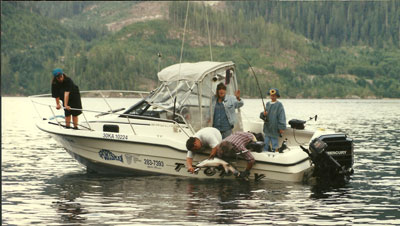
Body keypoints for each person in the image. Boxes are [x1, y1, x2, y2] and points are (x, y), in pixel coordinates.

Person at [259, 88, 286, 152]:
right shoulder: (267, 104)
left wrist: (281, 128)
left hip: (275, 128)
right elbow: (263, 115)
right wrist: (264, 114)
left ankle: (275, 152)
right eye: (271, 95)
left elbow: (281, 116)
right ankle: (265, 152)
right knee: (266, 142)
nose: (272, 97)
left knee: (274, 142)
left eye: (274, 95)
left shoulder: (279, 105)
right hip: (267, 127)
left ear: (277, 96)